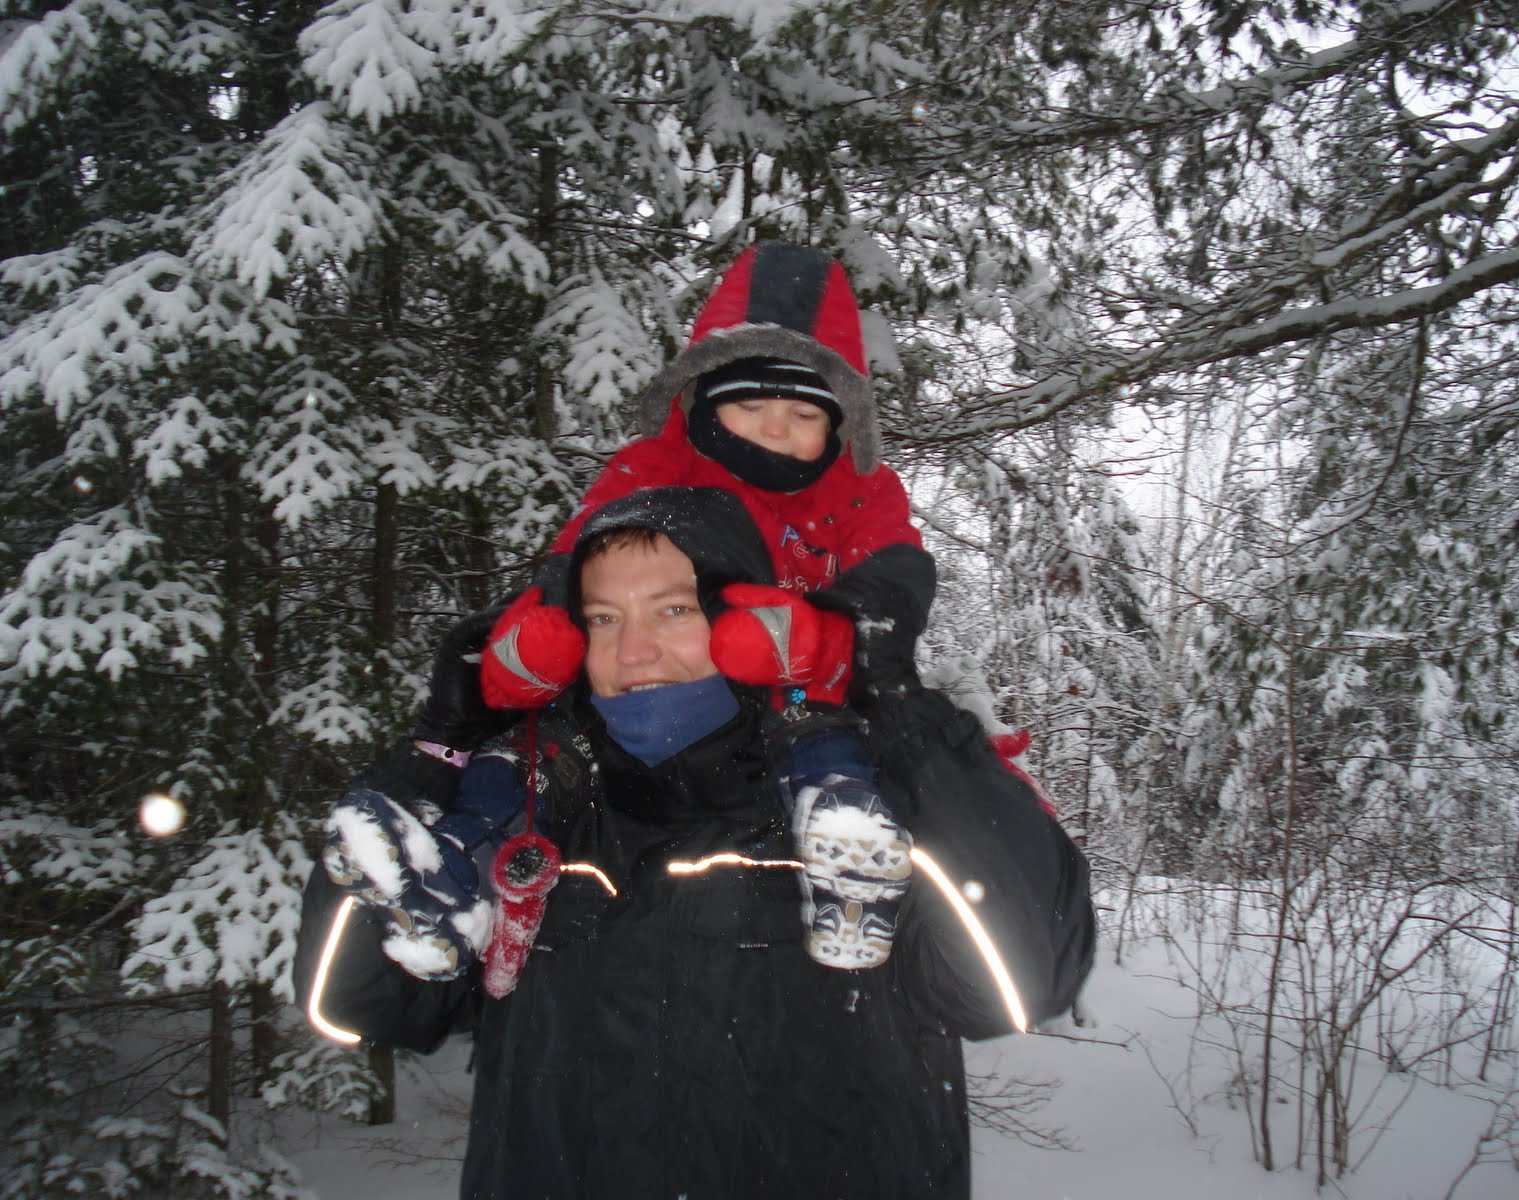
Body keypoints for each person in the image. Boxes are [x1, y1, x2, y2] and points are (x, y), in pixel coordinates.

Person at [296, 486, 1095, 1200]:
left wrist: (896, 706)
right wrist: (438, 748)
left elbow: (1020, 983)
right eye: (603, 619)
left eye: (674, 610)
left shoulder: (857, 804)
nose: (632, 652)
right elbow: (356, 1000)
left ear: (745, 619)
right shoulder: (532, 816)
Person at [375, 241, 935, 971]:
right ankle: (460, 861)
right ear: (702, 401)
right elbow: (573, 567)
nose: (775, 429)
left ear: (839, 427)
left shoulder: (858, 493)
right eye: (750, 406)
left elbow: (891, 589)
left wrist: (819, 639)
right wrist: (537, 639)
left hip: (789, 691)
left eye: (802, 413)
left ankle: (844, 842)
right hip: (645, 697)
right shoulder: (651, 470)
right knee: (535, 749)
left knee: (814, 724)